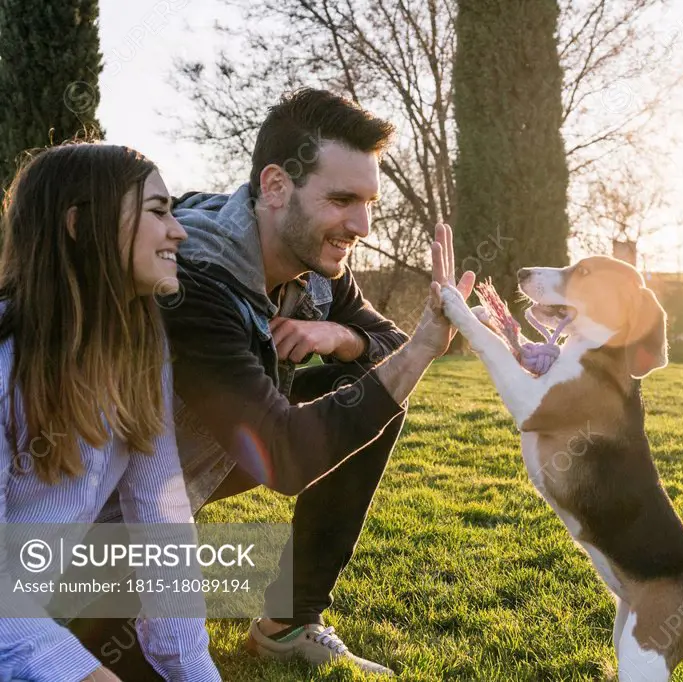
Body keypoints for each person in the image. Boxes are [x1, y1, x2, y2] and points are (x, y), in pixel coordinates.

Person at [78, 88, 475, 676]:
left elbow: (382, 345)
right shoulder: (191, 277)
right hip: (92, 521)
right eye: (342, 200)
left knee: (371, 392)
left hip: (186, 475)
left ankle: (289, 621)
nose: (361, 225)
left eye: (368, 202)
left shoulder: (314, 263)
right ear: (274, 187)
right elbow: (284, 460)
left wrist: (343, 338)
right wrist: (420, 347)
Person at [0, 144, 220, 681]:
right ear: (80, 224)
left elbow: (162, 520)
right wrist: (82, 672)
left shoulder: (142, 360)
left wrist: (195, 672)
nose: (180, 231)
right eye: (157, 211)